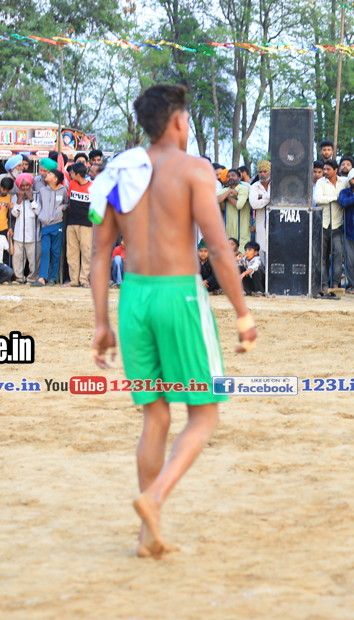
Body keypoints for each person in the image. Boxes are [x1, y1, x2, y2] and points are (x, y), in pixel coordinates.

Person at [88, 83, 255, 559]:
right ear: (179, 121)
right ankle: (155, 497)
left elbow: (100, 254)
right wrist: (243, 314)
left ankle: (148, 536)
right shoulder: (193, 169)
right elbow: (218, 248)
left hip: (133, 297)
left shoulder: (120, 171)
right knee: (204, 413)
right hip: (178, 294)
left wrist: (101, 323)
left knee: (156, 414)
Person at [31, 169, 68, 287]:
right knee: (45, 251)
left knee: (56, 252)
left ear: (56, 179)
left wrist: (61, 208)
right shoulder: (42, 190)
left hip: (57, 224)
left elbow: (67, 203)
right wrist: (42, 216)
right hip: (45, 224)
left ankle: (52, 278)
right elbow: (40, 205)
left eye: (50, 174)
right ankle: (42, 278)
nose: (47, 175)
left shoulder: (63, 190)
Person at [314, 159, 346, 293]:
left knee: (338, 254)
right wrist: (335, 198)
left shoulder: (344, 181)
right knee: (322, 256)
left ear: (336, 170)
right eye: (324, 169)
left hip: (338, 224)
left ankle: (335, 284)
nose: (325, 172)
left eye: (328, 169)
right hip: (323, 224)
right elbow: (317, 199)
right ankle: (324, 284)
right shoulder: (320, 182)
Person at [64, 162, 93, 288]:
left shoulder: (92, 186)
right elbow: (70, 202)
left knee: (86, 252)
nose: (70, 174)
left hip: (86, 224)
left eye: (72, 173)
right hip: (72, 223)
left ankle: (84, 279)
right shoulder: (72, 184)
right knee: (72, 253)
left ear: (77, 174)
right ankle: (73, 280)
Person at [10, 173, 40, 284]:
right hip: (19, 234)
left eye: (27, 185)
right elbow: (14, 214)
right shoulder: (15, 197)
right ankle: (19, 278)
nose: (25, 188)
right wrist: (18, 201)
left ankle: (32, 279)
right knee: (18, 259)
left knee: (34, 260)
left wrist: (31, 199)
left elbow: (39, 212)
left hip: (34, 234)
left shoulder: (37, 196)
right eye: (22, 186)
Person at [217, 169, 252, 249]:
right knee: (230, 252)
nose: (230, 177)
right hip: (229, 228)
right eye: (228, 176)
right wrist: (229, 192)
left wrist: (228, 197)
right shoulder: (226, 190)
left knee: (242, 252)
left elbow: (239, 205)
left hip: (242, 227)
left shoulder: (243, 189)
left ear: (239, 178)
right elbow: (215, 200)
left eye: (233, 175)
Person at [249, 160, 271, 246]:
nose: (262, 174)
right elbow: (254, 204)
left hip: (275, 220)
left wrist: (262, 196)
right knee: (261, 247)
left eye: (265, 171)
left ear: (270, 172)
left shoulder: (276, 185)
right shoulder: (254, 186)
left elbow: (279, 198)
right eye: (260, 172)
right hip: (261, 221)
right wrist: (269, 199)